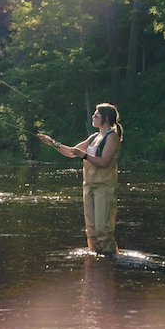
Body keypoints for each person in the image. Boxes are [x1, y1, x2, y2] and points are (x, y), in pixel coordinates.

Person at [38, 103, 123, 255]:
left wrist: (82, 155)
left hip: (104, 187)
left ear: (105, 118)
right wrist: (52, 143)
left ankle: (110, 262)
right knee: (91, 230)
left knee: (103, 229)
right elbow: (71, 152)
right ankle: (96, 260)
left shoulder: (113, 137)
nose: (93, 116)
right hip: (89, 186)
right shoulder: (94, 137)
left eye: (96, 115)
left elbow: (104, 162)